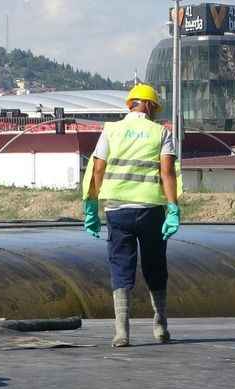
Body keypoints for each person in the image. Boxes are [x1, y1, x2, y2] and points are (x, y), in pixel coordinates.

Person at [81, 83, 182, 348]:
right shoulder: (161, 132)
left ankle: (121, 332)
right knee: (155, 266)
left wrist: (91, 203)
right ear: (148, 106)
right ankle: (160, 326)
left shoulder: (111, 131)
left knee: (121, 266)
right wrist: (172, 207)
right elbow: (167, 173)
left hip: (117, 210)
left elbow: (98, 169)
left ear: (130, 104)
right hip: (150, 210)